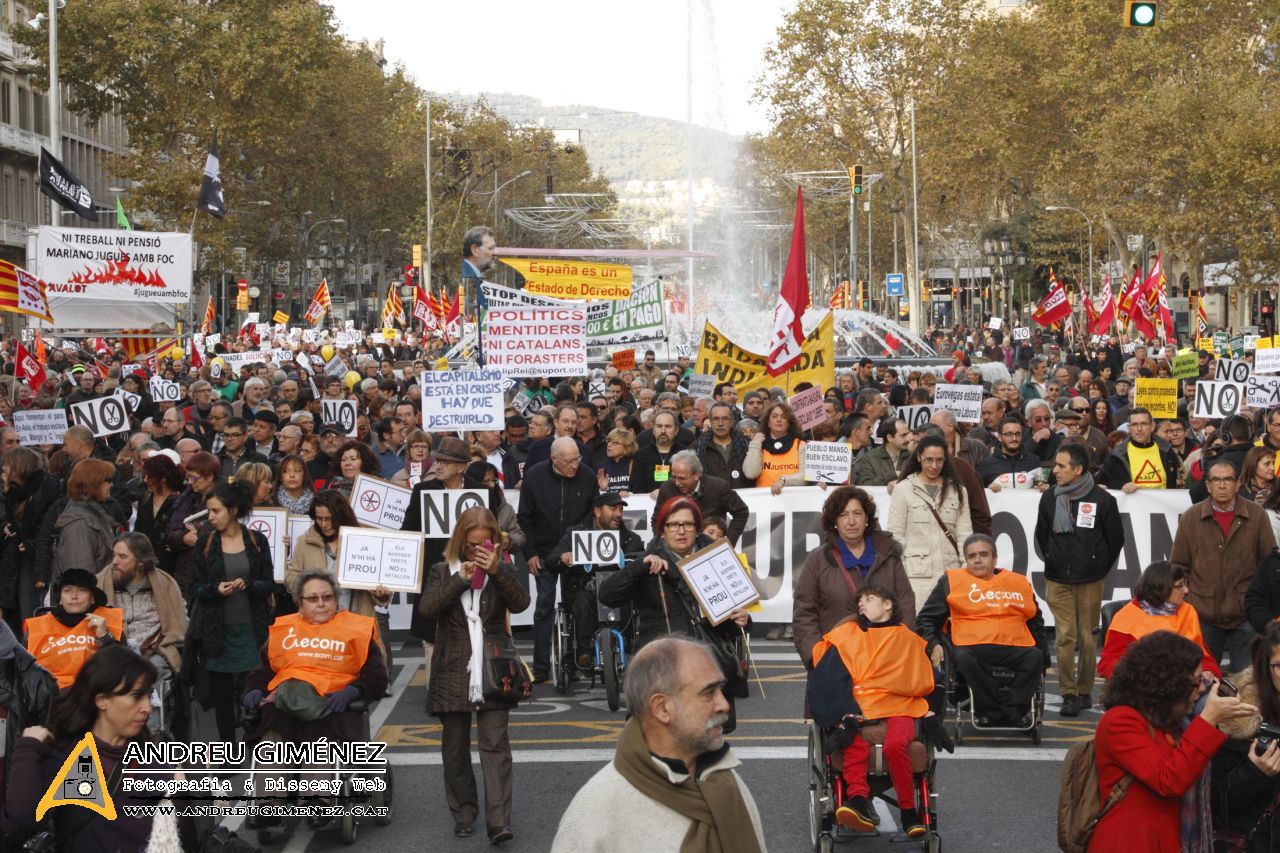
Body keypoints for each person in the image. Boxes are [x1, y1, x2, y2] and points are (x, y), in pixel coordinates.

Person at [550, 637, 766, 853]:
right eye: (709, 693)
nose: (724, 705)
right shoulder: (595, 812)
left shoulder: (726, 784)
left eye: (721, 689)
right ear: (662, 708)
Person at [240, 569, 388, 828]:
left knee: (322, 736)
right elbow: (263, 670)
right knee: (271, 732)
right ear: (299, 602)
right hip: (286, 704)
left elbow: (377, 675)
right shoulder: (284, 630)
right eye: (313, 598)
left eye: (327, 597)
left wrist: (353, 691)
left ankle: (318, 801)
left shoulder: (355, 629)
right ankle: (268, 804)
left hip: (332, 704)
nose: (321, 603)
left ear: (336, 599)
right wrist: (254, 691)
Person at [419, 507, 530, 845]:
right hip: (452, 667)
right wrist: (459, 580)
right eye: (470, 545)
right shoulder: (442, 570)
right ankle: (464, 812)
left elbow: (521, 603)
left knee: (495, 745)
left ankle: (499, 821)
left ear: (495, 541)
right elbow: (427, 609)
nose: (477, 551)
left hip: (493, 667)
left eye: (484, 544)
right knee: (454, 749)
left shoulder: (504, 568)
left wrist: (496, 571)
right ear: (459, 542)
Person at [1090, 631, 1256, 852]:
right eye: (1196, 682)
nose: (1202, 689)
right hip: (1130, 842)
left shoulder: (1175, 722)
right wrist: (1208, 719)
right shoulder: (1120, 721)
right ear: (1168, 684)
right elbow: (1169, 779)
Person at [2, 647, 179, 853]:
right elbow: (19, 823)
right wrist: (27, 748)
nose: (147, 707)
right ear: (101, 700)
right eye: (136, 696)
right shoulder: (63, 758)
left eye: (149, 695)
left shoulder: (154, 761)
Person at [599, 497, 751, 730]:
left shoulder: (715, 561)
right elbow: (607, 595)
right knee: (660, 736)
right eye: (673, 525)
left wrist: (743, 620)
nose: (681, 531)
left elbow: (729, 621)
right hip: (662, 668)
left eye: (688, 524)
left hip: (705, 666)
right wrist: (640, 567)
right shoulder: (648, 562)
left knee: (708, 738)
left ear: (697, 528)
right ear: (662, 530)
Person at [806, 587, 934, 836]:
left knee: (896, 745)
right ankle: (858, 801)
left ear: (887, 605)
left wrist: (932, 714)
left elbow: (926, 678)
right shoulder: (848, 635)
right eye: (860, 601)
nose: (861, 604)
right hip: (861, 706)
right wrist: (844, 713)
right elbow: (829, 679)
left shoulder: (907, 638)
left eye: (869, 599)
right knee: (853, 741)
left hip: (900, 705)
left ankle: (909, 813)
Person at [916, 534, 1045, 726]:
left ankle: (1014, 710)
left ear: (995, 558)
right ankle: (990, 710)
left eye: (983, 554)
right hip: (971, 646)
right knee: (963, 659)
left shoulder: (1018, 582)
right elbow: (926, 619)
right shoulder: (951, 581)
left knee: (1036, 657)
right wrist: (933, 644)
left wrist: (1045, 657)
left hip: (1015, 645)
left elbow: (1036, 621)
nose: (977, 560)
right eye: (972, 556)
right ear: (965, 560)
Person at [1035, 444, 1123, 717]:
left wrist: (1097, 566)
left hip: (1090, 579)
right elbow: (1041, 535)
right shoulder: (1049, 498)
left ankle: (1085, 691)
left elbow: (1115, 540)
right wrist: (1054, 558)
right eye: (1055, 465)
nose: (1055, 470)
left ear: (1078, 469)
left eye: (1061, 466)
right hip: (1057, 578)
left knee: (1087, 636)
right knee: (1064, 636)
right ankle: (1068, 693)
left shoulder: (1103, 500)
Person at [1170, 458, 1277, 670]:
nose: (1221, 485)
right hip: (1202, 613)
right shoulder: (1191, 517)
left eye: (1227, 479)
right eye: (1216, 480)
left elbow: (1269, 565)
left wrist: (1259, 605)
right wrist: (1188, 601)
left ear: (1238, 484)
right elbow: (1179, 566)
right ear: (1207, 485)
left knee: (1247, 680)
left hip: (1246, 614)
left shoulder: (1257, 515)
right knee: (1200, 678)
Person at [190, 481, 275, 742]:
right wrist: (215, 589)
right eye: (209, 511)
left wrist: (248, 585)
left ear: (234, 510)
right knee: (222, 694)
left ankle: (257, 740)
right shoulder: (206, 543)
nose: (210, 517)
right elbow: (195, 587)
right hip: (218, 631)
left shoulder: (257, 541)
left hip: (252, 629)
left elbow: (268, 584)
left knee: (255, 689)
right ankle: (228, 749)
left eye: (216, 511)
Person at [793, 486, 915, 666]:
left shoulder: (888, 554)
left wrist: (902, 649)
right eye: (843, 515)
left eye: (857, 513)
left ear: (867, 518)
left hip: (886, 659)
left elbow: (905, 603)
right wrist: (817, 657)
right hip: (836, 660)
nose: (851, 521)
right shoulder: (818, 559)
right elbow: (804, 613)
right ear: (835, 521)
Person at [517, 436, 597, 682]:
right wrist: (530, 553)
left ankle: (576, 661)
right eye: (569, 461)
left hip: (577, 551)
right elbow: (524, 519)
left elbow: (594, 514)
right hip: (544, 552)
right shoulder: (534, 476)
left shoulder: (587, 476)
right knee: (544, 607)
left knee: (578, 605)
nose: (575, 465)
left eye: (577, 459)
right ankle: (541, 667)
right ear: (554, 459)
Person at [546, 492, 645, 670]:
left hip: (619, 590)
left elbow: (641, 560)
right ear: (597, 511)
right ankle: (584, 649)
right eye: (613, 509)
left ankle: (628, 644)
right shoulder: (575, 535)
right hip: (586, 589)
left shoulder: (631, 538)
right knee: (582, 600)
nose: (618, 514)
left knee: (630, 598)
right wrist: (562, 557)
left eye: (621, 510)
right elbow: (550, 560)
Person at [1210, 620, 1280, 852]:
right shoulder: (1238, 717)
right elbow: (1216, 805)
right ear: (1265, 667)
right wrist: (1255, 773)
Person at [887, 435, 973, 608]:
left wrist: (966, 571)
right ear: (919, 457)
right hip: (915, 578)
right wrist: (898, 576)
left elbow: (965, 535)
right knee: (918, 623)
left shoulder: (958, 491)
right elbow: (896, 537)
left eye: (939, 460)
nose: (934, 466)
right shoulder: (903, 489)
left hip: (952, 575)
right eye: (929, 460)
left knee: (951, 623)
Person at [1100, 561, 1221, 681]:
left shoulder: (1187, 611)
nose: (1186, 590)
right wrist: (1135, 680)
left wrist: (1208, 670)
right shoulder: (1127, 617)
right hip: (1142, 685)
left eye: (1185, 584)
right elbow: (1109, 661)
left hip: (1185, 684)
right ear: (1162, 588)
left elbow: (1202, 654)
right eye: (1180, 585)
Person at [97, 533, 187, 681]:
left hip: (153, 651)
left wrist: (156, 645)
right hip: (112, 650)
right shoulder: (100, 582)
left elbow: (180, 621)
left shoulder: (165, 584)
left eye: (122, 557)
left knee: (156, 669)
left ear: (140, 562)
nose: (114, 562)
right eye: (114, 555)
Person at [23, 568, 123, 689]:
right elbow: (24, 671)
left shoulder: (107, 620)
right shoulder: (37, 627)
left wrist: (104, 636)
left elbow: (122, 667)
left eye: (82, 590)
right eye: (67, 591)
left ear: (92, 598)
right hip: (52, 693)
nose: (74, 596)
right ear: (60, 598)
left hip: (96, 690)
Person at [1, 446, 63, 631]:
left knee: (35, 614)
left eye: (7, 465)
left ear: (19, 466)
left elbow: (50, 526)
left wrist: (32, 543)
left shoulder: (49, 488)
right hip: (18, 558)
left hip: (41, 560)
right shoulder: (13, 493)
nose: (3, 468)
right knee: (23, 616)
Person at [653, 450, 750, 546]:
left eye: (682, 478)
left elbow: (741, 512)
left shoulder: (718, 487)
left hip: (709, 549)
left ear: (696, 475)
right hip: (677, 548)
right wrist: (662, 545)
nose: (677, 483)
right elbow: (657, 520)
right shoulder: (667, 488)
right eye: (674, 477)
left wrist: (728, 542)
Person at [52, 459, 118, 583]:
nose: (111, 485)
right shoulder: (79, 525)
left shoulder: (93, 515)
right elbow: (80, 579)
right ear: (93, 483)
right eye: (108, 480)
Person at [167, 450, 222, 598]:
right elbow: (170, 532)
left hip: (211, 571)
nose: (190, 482)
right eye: (188, 477)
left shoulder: (225, 500)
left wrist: (198, 536)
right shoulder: (186, 498)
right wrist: (183, 538)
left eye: (194, 478)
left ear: (209, 477)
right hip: (185, 571)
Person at [1100, 407, 1181, 492]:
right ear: (1129, 428)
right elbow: (1104, 482)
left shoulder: (1167, 452)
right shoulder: (1117, 455)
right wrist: (1121, 485)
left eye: (1144, 424)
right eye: (1134, 424)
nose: (1139, 429)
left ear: (1152, 426)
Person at [133, 453, 184, 575]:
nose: (145, 480)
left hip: (172, 567)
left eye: (149, 476)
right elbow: (138, 530)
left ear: (163, 478)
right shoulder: (145, 499)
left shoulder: (181, 501)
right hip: (146, 565)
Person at [743, 401, 808, 493]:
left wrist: (784, 480)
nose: (779, 419)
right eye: (774, 416)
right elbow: (750, 474)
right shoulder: (759, 444)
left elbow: (806, 476)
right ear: (768, 422)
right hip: (764, 499)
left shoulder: (800, 445)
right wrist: (755, 444)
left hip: (793, 498)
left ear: (789, 423)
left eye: (784, 417)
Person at [694, 402, 754, 488]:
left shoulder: (747, 444)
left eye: (725, 418)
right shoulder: (697, 447)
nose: (720, 423)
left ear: (732, 421)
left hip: (743, 495)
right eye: (715, 419)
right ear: (710, 421)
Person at [976, 417, 1044, 491]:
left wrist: (1042, 487)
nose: (1014, 438)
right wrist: (989, 488)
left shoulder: (1034, 460)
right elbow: (978, 492)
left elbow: (1041, 486)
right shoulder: (986, 464)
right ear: (999, 437)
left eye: (1018, 434)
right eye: (1009, 434)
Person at [853, 417, 911, 487]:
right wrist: (892, 475)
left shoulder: (913, 456)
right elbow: (866, 485)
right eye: (903, 435)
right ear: (889, 438)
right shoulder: (869, 458)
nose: (908, 438)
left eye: (908, 434)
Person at [595, 427, 637, 495]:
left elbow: (642, 491)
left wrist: (630, 494)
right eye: (609, 441)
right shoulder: (601, 467)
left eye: (615, 443)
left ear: (626, 447)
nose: (609, 445)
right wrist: (602, 489)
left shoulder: (635, 465)